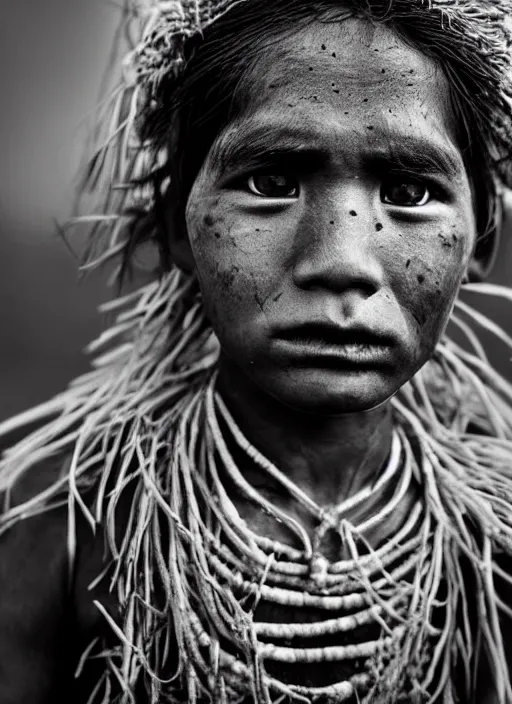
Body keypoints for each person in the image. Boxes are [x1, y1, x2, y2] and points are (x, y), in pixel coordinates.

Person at [1, 0, 512, 702]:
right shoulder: (62, 521)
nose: (342, 260)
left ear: (481, 238)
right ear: (175, 223)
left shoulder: (491, 542)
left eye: (409, 190)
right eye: (271, 183)